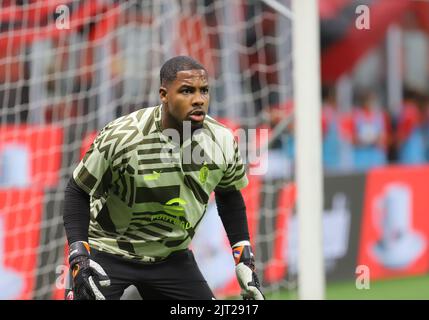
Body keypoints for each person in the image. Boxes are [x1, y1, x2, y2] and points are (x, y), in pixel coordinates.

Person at [63, 55, 264, 300]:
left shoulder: (221, 140)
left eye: (204, 91)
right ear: (164, 94)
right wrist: (79, 255)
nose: (199, 99)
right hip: (107, 250)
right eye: (187, 91)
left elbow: (229, 195)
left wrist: (244, 258)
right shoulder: (123, 135)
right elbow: (77, 191)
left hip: (171, 257)